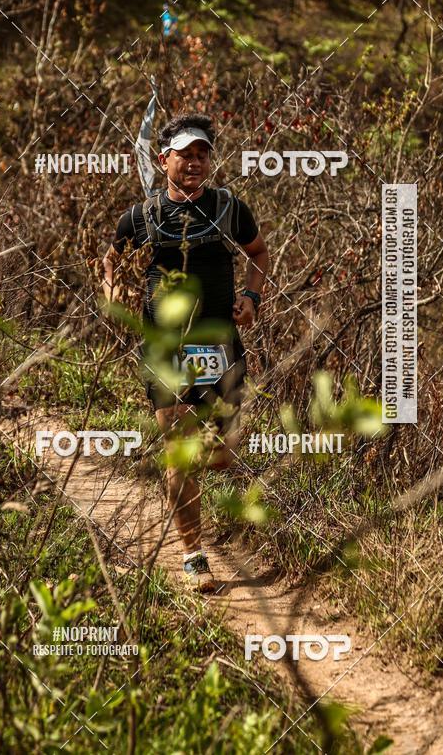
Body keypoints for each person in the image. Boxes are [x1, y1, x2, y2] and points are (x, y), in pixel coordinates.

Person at [102, 112, 269, 592]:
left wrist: (252, 297)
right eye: (185, 154)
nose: (195, 163)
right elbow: (112, 258)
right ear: (163, 159)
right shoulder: (140, 216)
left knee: (222, 454)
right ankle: (193, 554)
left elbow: (258, 252)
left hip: (220, 345)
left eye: (202, 154)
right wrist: (114, 291)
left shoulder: (229, 207)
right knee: (179, 455)